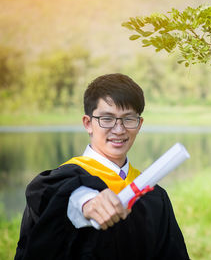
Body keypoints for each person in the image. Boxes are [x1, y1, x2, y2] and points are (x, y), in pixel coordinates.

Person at [15, 73, 190, 260]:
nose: (119, 129)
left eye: (128, 119)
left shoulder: (154, 196)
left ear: (139, 124)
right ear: (88, 123)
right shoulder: (60, 181)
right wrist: (86, 203)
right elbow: (58, 197)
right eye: (107, 119)